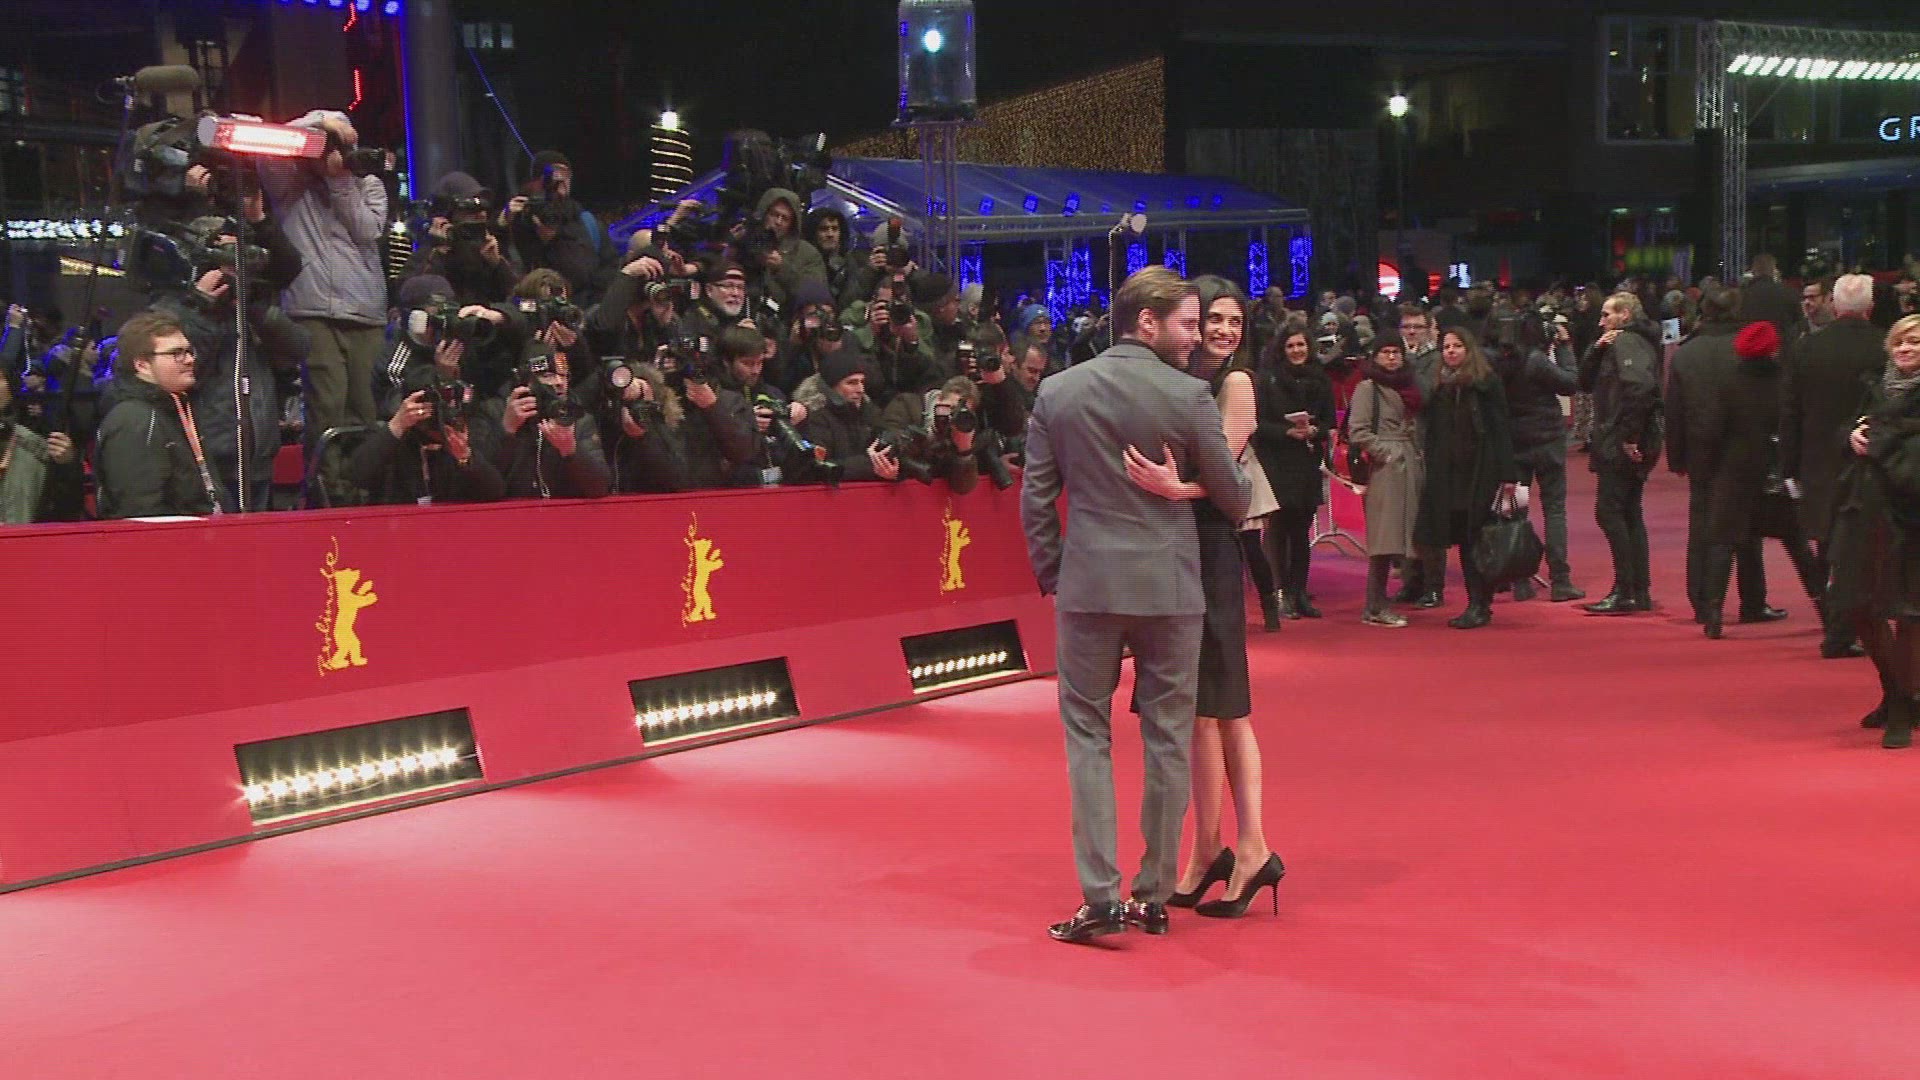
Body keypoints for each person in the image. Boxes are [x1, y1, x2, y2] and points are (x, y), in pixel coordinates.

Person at [1020, 266, 1250, 944]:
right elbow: (1236, 497)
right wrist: (1184, 488)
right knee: (1168, 738)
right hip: (1171, 589)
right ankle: (1153, 895)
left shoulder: (1058, 392)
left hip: (1089, 586)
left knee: (1087, 738)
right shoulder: (1190, 394)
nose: (1196, 335)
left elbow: (1036, 499)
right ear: (1147, 322)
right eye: (1188, 323)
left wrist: (1057, 574)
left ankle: (1100, 897)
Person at [1121, 275, 1284, 921]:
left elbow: (1221, 474)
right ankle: (1207, 849)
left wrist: (1172, 488)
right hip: (1177, 551)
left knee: (1229, 707)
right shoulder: (1182, 380)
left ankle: (1254, 847)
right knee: (1200, 714)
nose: (1222, 330)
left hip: (1212, 550)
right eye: (1213, 319)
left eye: (1234, 322)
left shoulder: (1235, 384)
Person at [1824, 314, 1920, 748]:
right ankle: (1894, 692)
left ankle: (1903, 706)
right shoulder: (1874, 385)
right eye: (1899, 342)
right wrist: (1852, 437)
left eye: (1914, 342)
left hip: (1911, 517)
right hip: (1863, 513)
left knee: (1910, 615)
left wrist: (1883, 439)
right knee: (1859, 607)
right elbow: (1845, 428)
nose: (1905, 349)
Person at [1781, 274, 1887, 659]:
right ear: (1871, 307)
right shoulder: (1885, 347)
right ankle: (1851, 625)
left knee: (1827, 545)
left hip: (1818, 460)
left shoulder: (1806, 348)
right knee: (1867, 546)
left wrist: (1787, 467)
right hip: (1872, 460)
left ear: (1835, 305)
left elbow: (1790, 412)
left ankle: (1835, 622)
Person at [1667, 285, 1783, 626]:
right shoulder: (1746, 349)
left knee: (1702, 524)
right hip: (1748, 448)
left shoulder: (1686, 354)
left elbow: (1674, 411)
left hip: (1701, 449)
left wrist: (1676, 456)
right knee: (1749, 526)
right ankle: (1753, 601)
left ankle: (1703, 601)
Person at [1692, 321, 1796, 639]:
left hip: (1733, 473)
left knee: (1722, 543)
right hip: (1772, 472)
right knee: (1795, 544)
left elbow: (1711, 430)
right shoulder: (1784, 382)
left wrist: (1708, 468)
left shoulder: (1728, 382)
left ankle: (1713, 616)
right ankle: (1826, 613)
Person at [1413, 326, 1520, 629]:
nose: (1450, 351)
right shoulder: (1439, 386)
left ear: (1469, 349)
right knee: (1463, 538)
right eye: (1446, 347)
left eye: (1457, 346)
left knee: (1477, 537)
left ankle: (1480, 604)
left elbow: (1500, 428)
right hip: (1449, 475)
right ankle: (1477, 602)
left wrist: (1508, 473)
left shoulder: (1486, 383)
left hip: (1480, 471)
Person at [1579, 292, 1664, 615]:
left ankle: (1626, 589)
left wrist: (1629, 437)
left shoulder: (1627, 343)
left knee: (1611, 512)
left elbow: (1639, 389)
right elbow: (1584, 381)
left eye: (1606, 315)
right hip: (1622, 437)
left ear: (1625, 315)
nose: (1600, 322)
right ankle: (1636, 589)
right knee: (1628, 512)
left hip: (1619, 441)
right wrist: (1595, 349)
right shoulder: (1625, 343)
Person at [92, 311, 224, 518]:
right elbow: (140, 511)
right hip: (172, 536)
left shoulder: (175, 406)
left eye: (189, 351)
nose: (189, 360)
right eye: (176, 353)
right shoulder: (133, 419)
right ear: (142, 365)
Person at [1253, 327, 1336, 620]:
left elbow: (1329, 421)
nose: (1297, 350)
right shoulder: (1267, 380)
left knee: (1301, 532)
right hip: (1276, 462)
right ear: (1282, 349)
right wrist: (1286, 432)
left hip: (1307, 462)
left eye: (1301, 344)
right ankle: (1278, 593)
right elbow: (1257, 424)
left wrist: (1316, 430)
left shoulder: (1320, 379)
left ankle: (1299, 593)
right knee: (1277, 530)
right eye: (1291, 345)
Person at [1347, 334, 1424, 626]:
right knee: (1384, 537)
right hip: (1386, 470)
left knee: (1401, 536)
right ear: (1375, 355)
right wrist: (1387, 453)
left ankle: (1383, 602)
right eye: (1385, 352)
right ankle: (1375, 605)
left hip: (1409, 464)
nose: (1391, 357)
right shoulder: (1368, 388)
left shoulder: (1408, 386)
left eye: (1396, 352)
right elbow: (1358, 431)